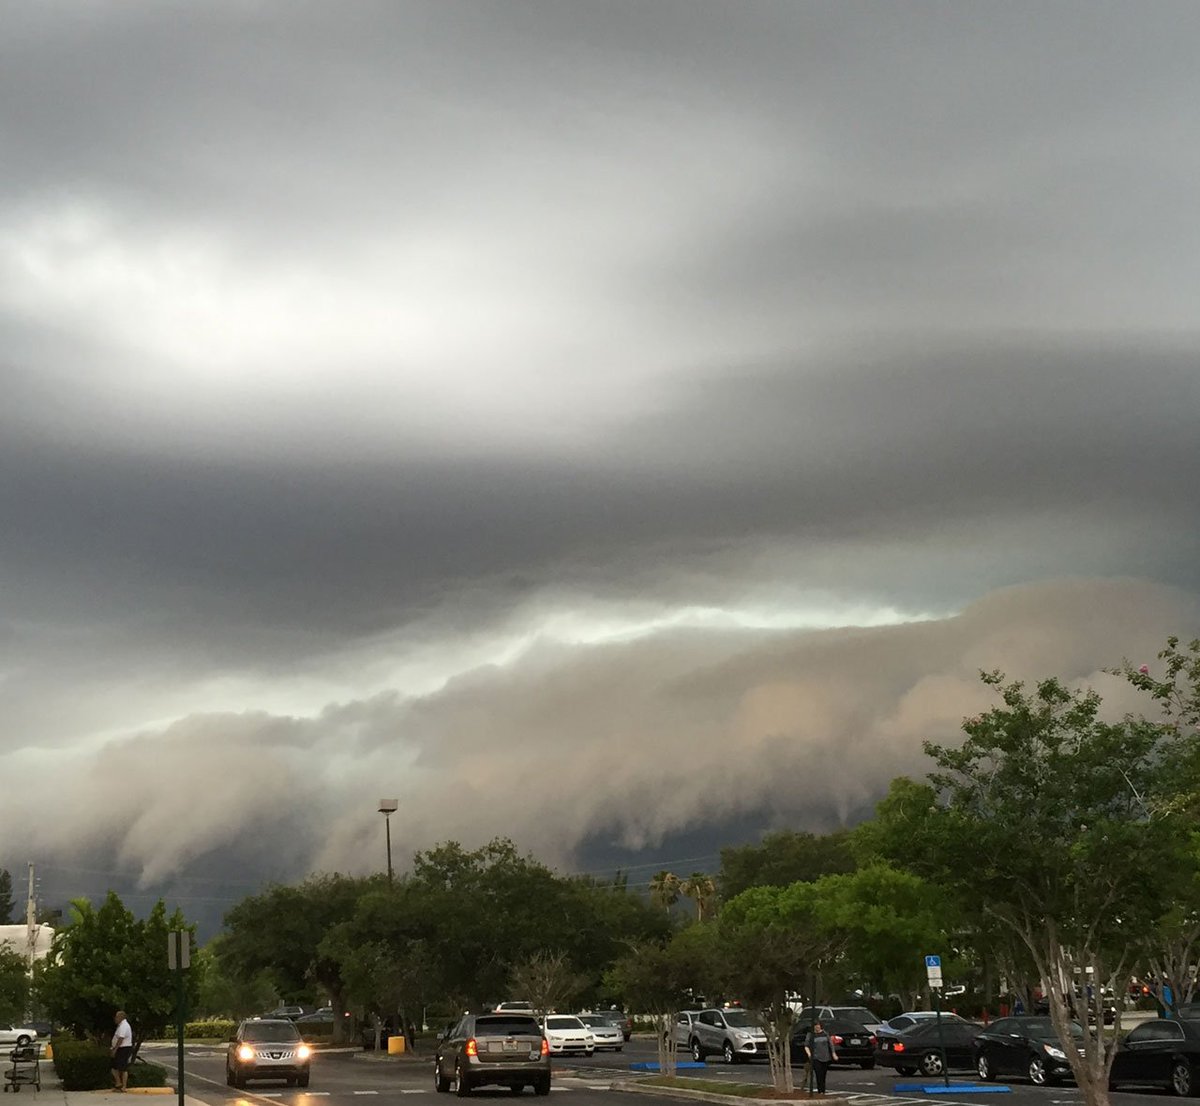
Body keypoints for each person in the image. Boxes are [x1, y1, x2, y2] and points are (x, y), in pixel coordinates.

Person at [805, 1020, 839, 1094]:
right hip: (816, 1057)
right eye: (815, 1025)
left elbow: (831, 1045)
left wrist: (834, 1054)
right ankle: (820, 1090)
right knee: (818, 1073)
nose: (817, 1027)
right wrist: (809, 1054)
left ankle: (823, 1090)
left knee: (823, 1074)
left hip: (825, 1057)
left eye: (818, 1025)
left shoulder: (825, 1034)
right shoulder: (810, 1035)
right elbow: (806, 1046)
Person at [111, 1009, 133, 1091]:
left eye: (117, 1016)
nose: (115, 1018)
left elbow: (121, 1038)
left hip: (124, 1048)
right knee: (114, 1067)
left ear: (121, 1017)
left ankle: (124, 1086)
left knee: (123, 1068)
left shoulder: (124, 1026)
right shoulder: (121, 1025)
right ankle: (118, 1083)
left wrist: (115, 1049)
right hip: (120, 1048)